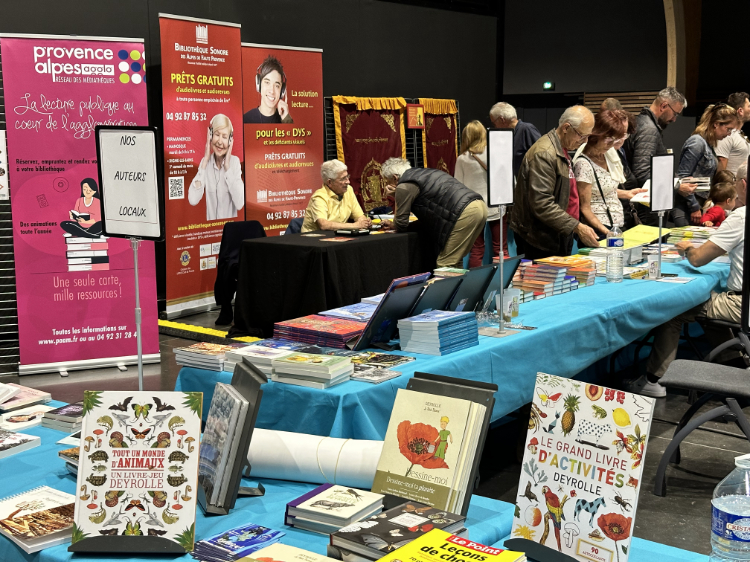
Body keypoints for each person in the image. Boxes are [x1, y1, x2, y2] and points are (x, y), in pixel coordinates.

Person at [626, 182, 747, 397]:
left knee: (676, 308)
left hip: (742, 306)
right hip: (739, 304)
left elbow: (699, 259)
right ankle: (734, 362)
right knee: (709, 303)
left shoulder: (740, 217)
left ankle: (655, 379)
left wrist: (689, 247)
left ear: (744, 184)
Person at [510, 105, 599, 259]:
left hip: (558, 233)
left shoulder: (561, 149)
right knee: (543, 282)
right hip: (539, 239)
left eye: (587, 136)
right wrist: (576, 226)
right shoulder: (544, 153)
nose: (584, 142)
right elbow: (542, 203)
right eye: (581, 135)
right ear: (566, 128)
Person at [379, 158, 486, 268]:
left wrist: (396, 195)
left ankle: (450, 285)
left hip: (465, 212)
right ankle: (460, 285)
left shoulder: (404, 186)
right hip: (479, 205)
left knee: (445, 264)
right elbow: (428, 217)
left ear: (395, 178)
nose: (387, 185)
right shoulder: (424, 173)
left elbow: (401, 224)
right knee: (455, 260)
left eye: (387, 181)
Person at [574, 110, 646, 239]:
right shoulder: (583, 163)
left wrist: (627, 194)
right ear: (596, 135)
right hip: (600, 228)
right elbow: (585, 208)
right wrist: (606, 232)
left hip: (616, 225)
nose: (612, 144)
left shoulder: (607, 156)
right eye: (608, 139)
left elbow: (601, 189)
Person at [623, 87, 687, 225]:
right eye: (675, 114)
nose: (674, 119)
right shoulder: (649, 129)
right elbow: (642, 171)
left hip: (646, 203)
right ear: (664, 106)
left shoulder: (645, 124)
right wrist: (676, 186)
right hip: (646, 206)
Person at [676, 103, 738, 226]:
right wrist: (694, 206)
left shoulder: (707, 145)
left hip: (696, 204)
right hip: (686, 207)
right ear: (716, 124)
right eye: (728, 129)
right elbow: (683, 178)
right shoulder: (697, 143)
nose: (729, 134)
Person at [454, 121, 504, 266]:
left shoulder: (463, 159)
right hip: (497, 204)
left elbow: (458, 186)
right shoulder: (496, 153)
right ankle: (503, 281)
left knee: (476, 250)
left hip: (474, 208)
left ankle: (475, 286)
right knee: (501, 248)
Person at [188, 114, 245, 221]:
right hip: (211, 231)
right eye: (216, 135)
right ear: (210, 136)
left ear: (230, 141)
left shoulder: (234, 162)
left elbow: (240, 203)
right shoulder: (205, 163)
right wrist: (205, 161)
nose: (219, 141)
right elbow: (193, 199)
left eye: (224, 137)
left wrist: (227, 167)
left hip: (229, 230)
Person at [301, 159, 371, 233]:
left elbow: (359, 216)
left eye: (347, 177)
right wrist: (356, 225)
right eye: (343, 179)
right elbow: (324, 225)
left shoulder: (349, 190)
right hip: (314, 238)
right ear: (330, 182)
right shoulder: (319, 197)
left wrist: (364, 222)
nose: (348, 182)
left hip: (338, 235)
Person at [489, 102, 542, 177]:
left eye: (494, 123)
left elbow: (542, 156)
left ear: (502, 120)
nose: (495, 127)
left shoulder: (527, 129)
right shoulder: (510, 133)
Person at [243, 56, 293, 124]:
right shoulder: (245, 120)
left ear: (282, 91)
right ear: (259, 85)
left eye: (277, 86)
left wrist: (287, 120)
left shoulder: (285, 120)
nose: (272, 91)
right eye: (267, 82)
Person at [717, 92, 750, 174]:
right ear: (740, 111)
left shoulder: (739, 134)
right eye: (749, 106)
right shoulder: (726, 134)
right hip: (732, 185)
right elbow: (721, 162)